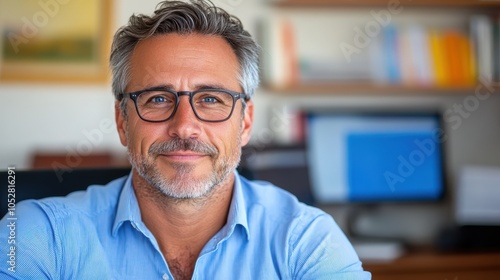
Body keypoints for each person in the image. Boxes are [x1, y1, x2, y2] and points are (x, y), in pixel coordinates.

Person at [0, 1, 371, 279]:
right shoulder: (37, 236)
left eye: (210, 99)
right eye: (158, 99)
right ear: (122, 122)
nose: (185, 127)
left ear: (246, 123)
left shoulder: (306, 241)